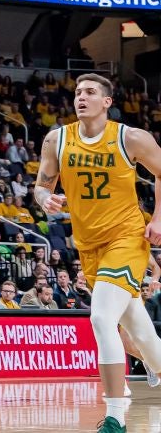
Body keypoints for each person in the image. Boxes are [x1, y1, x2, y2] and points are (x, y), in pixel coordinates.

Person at [36, 73, 161, 433]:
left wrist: (157, 219)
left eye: (90, 92)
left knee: (101, 319)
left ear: (107, 101)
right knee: (143, 335)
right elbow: (41, 185)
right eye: (77, 92)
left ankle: (115, 416)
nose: (81, 97)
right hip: (88, 246)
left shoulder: (131, 137)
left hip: (126, 238)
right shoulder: (56, 139)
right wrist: (46, 199)